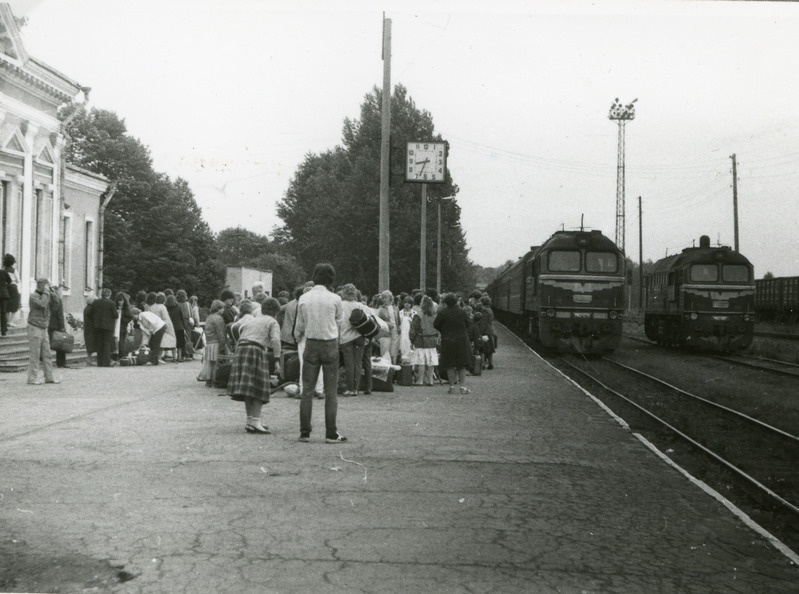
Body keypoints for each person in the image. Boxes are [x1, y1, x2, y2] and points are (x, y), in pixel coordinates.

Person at [294, 263, 346, 443]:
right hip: (330, 344)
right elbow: (339, 322)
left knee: (307, 390)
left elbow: (298, 327)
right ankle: (331, 433)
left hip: (311, 344)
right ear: (331, 278)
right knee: (331, 392)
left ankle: (304, 432)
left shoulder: (304, 298)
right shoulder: (335, 299)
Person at [228, 298, 282, 434]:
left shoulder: (254, 319)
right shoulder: (272, 321)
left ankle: (250, 420)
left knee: (248, 387)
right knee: (258, 386)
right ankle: (256, 421)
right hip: (254, 349)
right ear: (276, 312)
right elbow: (275, 340)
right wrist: (277, 359)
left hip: (241, 349)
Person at [433, 292, 472, 394]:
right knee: (462, 364)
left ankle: (452, 386)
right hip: (461, 340)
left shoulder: (443, 313)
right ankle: (462, 387)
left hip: (448, 340)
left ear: (446, 302)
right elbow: (468, 324)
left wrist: (444, 330)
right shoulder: (462, 312)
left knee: (450, 364)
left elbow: (436, 324)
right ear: (456, 302)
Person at [338, 283, 369, 396]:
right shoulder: (360, 305)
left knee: (349, 364)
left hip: (346, 338)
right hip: (359, 336)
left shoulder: (341, 305)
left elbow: (339, 322)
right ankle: (356, 388)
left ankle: (350, 388)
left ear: (344, 293)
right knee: (358, 363)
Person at [26, 277, 59, 385]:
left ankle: (49, 377)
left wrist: (53, 294)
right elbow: (42, 304)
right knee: (35, 354)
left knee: (47, 354)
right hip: (34, 327)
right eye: (46, 285)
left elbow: (56, 306)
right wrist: (46, 293)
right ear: (41, 285)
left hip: (44, 327)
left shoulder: (47, 295)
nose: (47, 288)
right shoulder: (33, 296)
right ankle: (32, 378)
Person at [410, 295, 440, 386]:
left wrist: (411, 340)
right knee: (431, 361)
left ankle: (420, 380)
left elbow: (413, 330)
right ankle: (430, 380)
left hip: (421, 340)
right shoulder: (435, 315)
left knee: (421, 361)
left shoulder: (418, 315)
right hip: (432, 340)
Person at [198, 300, 228, 386]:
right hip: (216, 343)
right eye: (222, 309)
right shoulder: (218, 319)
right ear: (218, 309)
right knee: (216, 363)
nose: (223, 310)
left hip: (209, 342)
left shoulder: (209, 317)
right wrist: (223, 345)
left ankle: (209, 380)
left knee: (210, 362)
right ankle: (215, 380)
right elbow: (220, 333)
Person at [92, 288, 119, 367]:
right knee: (107, 344)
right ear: (109, 295)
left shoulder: (96, 302)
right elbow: (116, 315)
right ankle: (107, 362)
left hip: (97, 326)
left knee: (99, 344)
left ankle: (99, 362)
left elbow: (92, 313)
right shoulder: (111, 303)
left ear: (101, 294)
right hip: (108, 326)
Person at [150, 292, 177, 360]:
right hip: (161, 325)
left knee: (155, 342)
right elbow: (166, 318)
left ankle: (154, 356)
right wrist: (168, 328)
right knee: (166, 341)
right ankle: (163, 357)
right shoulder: (162, 307)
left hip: (153, 326)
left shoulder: (152, 306)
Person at [377, 290, 400, 363]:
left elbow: (398, 321)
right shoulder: (381, 309)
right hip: (386, 332)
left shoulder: (396, 308)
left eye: (386, 297)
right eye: (383, 298)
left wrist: (398, 328)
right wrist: (387, 324)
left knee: (394, 350)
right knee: (385, 350)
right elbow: (378, 321)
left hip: (395, 331)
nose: (384, 299)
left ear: (390, 298)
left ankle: (394, 367)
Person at [48, 286, 68, 368]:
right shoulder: (58, 301)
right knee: (60, 344)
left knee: (46, 344)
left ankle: (45, 361)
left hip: (47, 325)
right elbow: (60, 316)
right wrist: (62, 327)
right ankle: (61, 362)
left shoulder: (46, 301)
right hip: (56, 325)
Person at [165, 293, 186, 362]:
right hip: (179, 327)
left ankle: (174, 357)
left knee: (173, 343)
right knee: (180, 344)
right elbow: (182, 318)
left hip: (171, 328)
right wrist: (184, 327)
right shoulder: (179, 307)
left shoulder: (166, 309)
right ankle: (179, 357)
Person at [2, 254, 20, 332]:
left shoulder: (3, 270)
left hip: (5, 288)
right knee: (14, 305)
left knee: (6, 305)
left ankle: (7, 321)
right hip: (13, 288)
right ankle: (11, 322)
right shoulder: (14, 270)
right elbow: (18, 280)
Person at [115, 292, 134, 359]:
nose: (120, 302)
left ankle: (121, 354)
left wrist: (121, 318)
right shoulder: (115, 307)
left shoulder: (126, 308)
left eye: (121, 301)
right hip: (116, 327)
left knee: (122, 341)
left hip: (123, 327)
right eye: (119, 301)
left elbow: (130, 317)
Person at [398, 296, 416, 362]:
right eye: (405, 302)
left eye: (408, 303)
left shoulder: (415, 313)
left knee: (411, 350)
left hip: (411, 334)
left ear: (411, 304)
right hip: (402, 334)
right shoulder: (400, 313)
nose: (406, 304)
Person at [83, 294, 97, 365]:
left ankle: (88, 360)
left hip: (87, 328)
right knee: (92, 345)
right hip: (91, 329)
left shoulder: (86, 308)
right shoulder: (91, 309)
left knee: (89, 345)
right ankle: (88, 360)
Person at [0, 255, 12, 337]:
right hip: (3, 294)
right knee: (3, 312)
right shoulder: (3, 272)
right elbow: (10, 281)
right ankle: (3, 330)